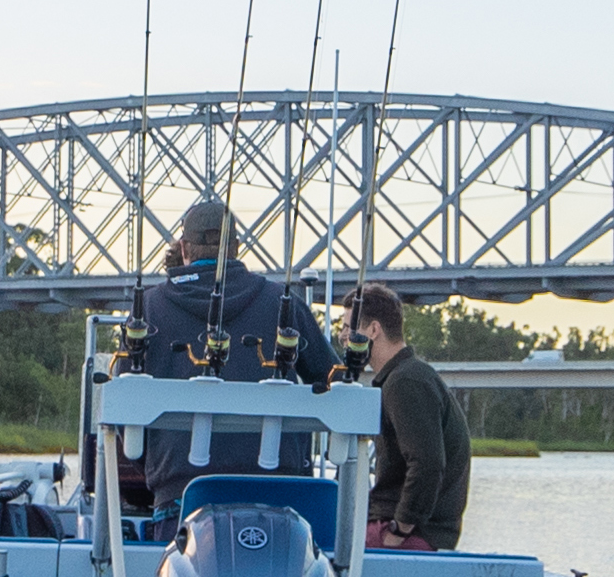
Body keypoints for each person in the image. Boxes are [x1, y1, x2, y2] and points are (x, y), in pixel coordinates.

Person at [120, 196, 337, 510]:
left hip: (182, 494)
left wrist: (157, 470)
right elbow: (333, 379)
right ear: (236, 247)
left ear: (184, 249)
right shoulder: (283, 302)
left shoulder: (149, 308)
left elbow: (120, 403)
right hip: (281, 493)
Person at [345, 283, 470, 551]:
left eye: (348, 329)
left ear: (374, 330)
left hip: (410, 534)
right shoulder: (405, 376)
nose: (344, 338)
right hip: (411, 528)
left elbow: (427, 463)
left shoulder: (405, 382)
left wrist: (400, 529)